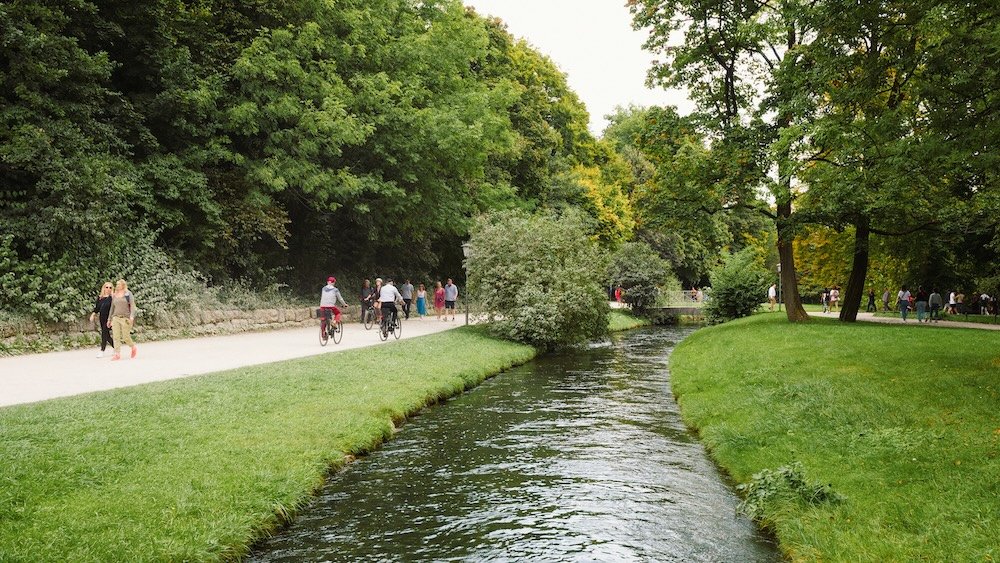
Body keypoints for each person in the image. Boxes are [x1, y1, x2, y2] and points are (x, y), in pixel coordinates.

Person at [107, 279, 138, 361]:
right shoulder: (115, 295)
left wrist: (131, 316)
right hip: (116, 317)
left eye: (119, 284)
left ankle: (133, 347)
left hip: (125, 318)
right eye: (116, 284)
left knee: (125, 337)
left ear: (123, 285)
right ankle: (117, 354)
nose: (117, 286)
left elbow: (132, 306)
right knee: (116, 337)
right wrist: (109, 319)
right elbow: (112, 308)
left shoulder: (128, 294)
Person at [89, 282, 114, 358]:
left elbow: (114, 309)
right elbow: (97, 308)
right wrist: (93, 315)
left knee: (104, 333)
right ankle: (116, 347)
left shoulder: (112, 297)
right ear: (104, 288)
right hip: (102, 318)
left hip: (109, 318)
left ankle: (102, 350)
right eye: (107, 287)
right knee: (107, 335)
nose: (108, 289)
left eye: (110, 287)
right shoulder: (100, 298)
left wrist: (112, 319)